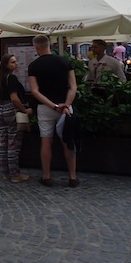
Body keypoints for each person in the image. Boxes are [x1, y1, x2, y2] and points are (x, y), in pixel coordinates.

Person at [28, 35, 78, 188]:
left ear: (36, 47)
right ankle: (72, 177)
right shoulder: (65, 62)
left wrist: (54, 106)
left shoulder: (34, 66)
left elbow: (35, 91)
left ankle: (46, 176)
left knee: (46, 141)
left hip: (45, 107)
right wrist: (66, 105)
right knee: (68, 141)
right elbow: (73, 87)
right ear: (49, 45)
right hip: (65, 107)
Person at [0, 54, 33, 183]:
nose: (16, 64)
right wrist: (24, 110)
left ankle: (5, 172)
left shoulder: (0, 78)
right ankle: (15, 174)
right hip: (11, 109)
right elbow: (14, 98)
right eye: (13, 62)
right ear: (6, 65)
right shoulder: (11, 78)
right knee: (13, 143)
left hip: (1, 108)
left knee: (3, 141)